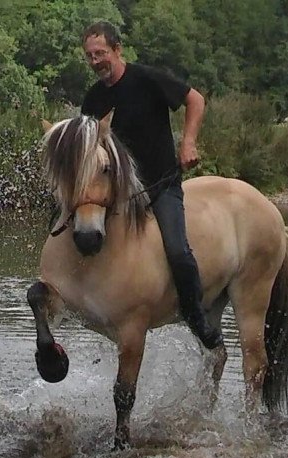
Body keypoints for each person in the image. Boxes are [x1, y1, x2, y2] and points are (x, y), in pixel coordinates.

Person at [80, 21, 223, 350]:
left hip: (160, 185)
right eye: (89, 56)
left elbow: (196, 100)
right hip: (117, 193)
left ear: (117, 50)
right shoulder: (92, 99)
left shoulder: (146, 79)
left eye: (100, 53)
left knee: (177, 250)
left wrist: (188, 143)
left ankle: (196, 316)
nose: (95, 61)